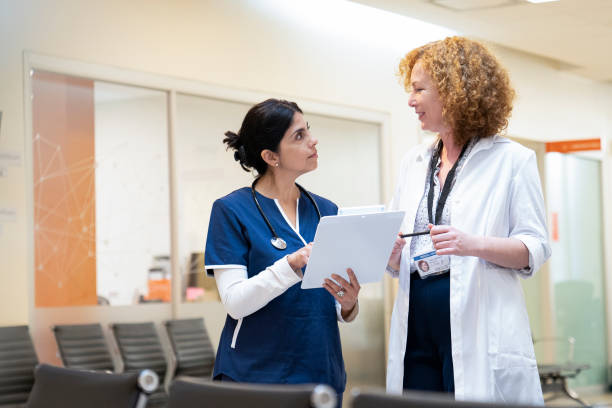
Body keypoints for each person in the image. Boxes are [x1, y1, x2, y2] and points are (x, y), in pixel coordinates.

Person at [385, 37, 551, 405]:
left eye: (418, 89)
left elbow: (534, 247)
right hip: (417, 318)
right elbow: (398, 253)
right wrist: (391, 251)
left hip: (478, 316)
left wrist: (472, 244)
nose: (411, 100)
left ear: (453, 91)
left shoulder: (511, 161)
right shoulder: (414, 162)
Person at [204, 98, 360, 402]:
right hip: (255, 377)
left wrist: (348, 305)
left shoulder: (326, 210)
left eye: (308, 130)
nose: (313, 141)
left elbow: (328, 301)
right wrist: (291, 265)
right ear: (271, 156)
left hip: (320, 372)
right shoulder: (231, 211)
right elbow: (235, 303)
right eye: (298, 136)